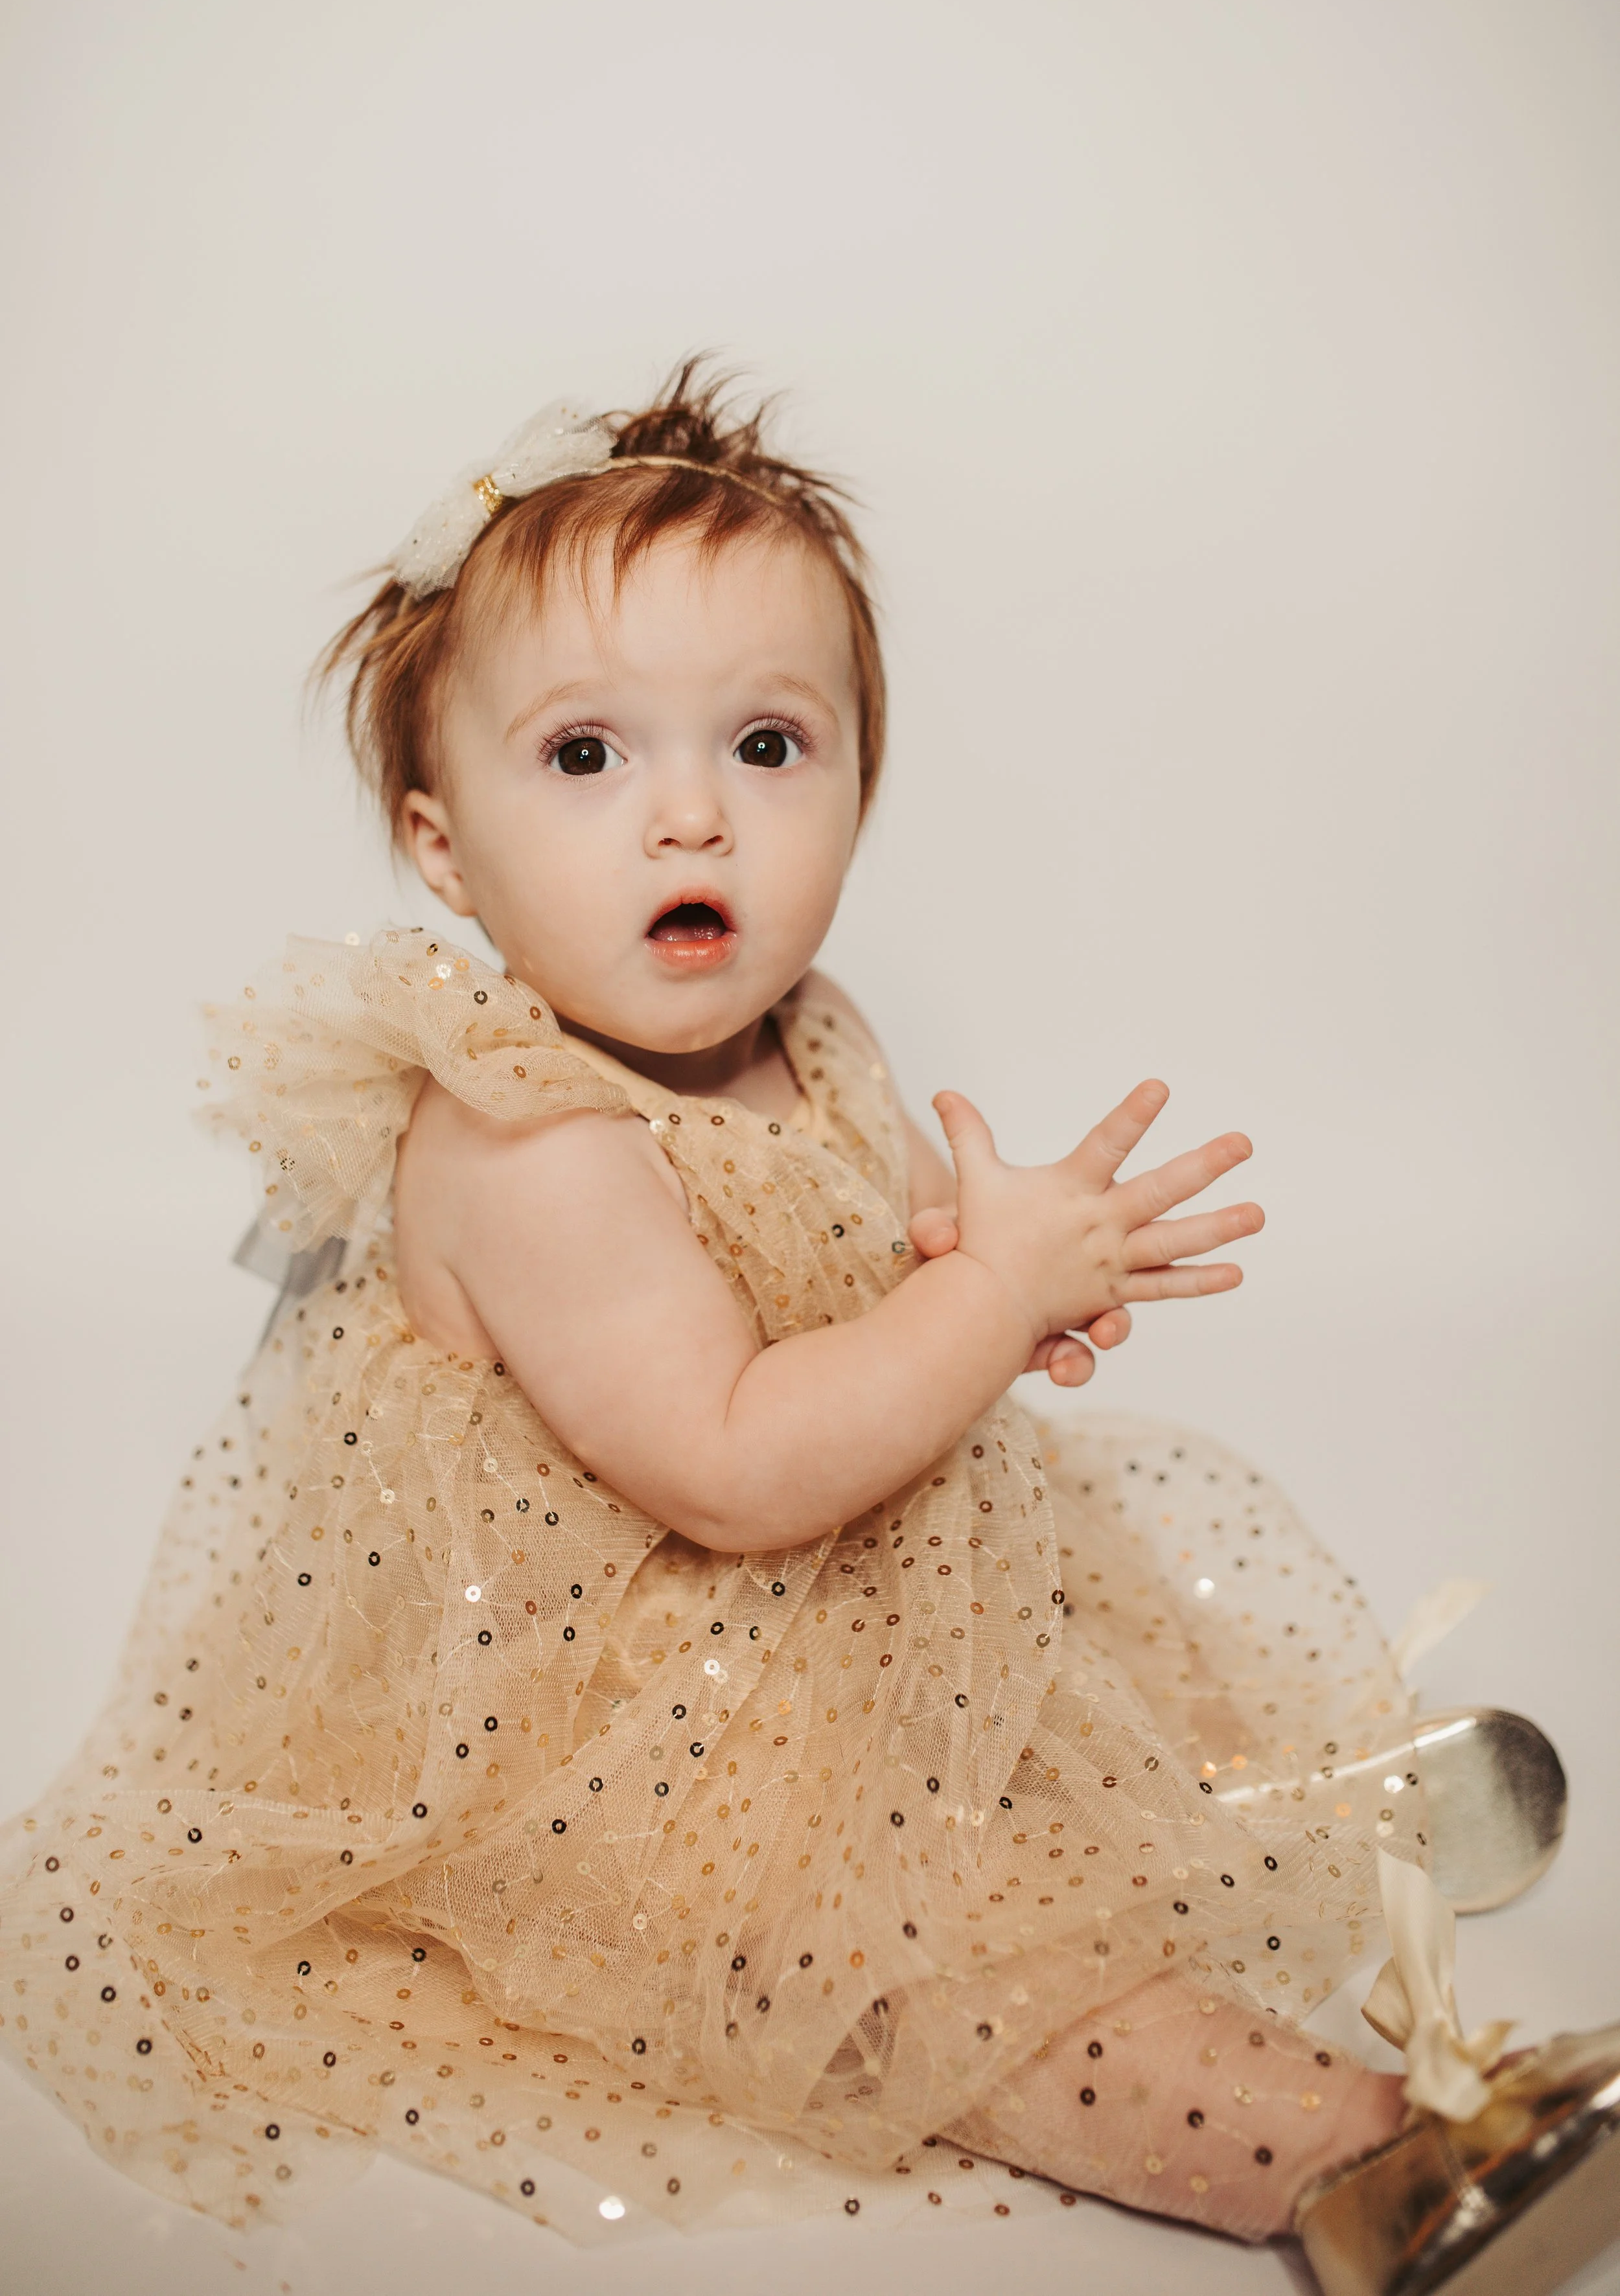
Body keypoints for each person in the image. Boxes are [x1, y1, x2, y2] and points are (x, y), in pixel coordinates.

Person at [4, 363, 1615, 2294]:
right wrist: (984, 1306)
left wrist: (988, 1269)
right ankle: (1358, 2164)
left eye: (768, 743)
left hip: (848, 1592)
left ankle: (1245, 1814)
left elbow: (858, 1260)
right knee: (897, 1959)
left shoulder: (804, 1021)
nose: (692, 812)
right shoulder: (528, 1143)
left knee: (1053, 1694)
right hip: (612, 1728)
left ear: (859, 782)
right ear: (443, 849)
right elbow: (739, 1468)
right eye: (585, 755)